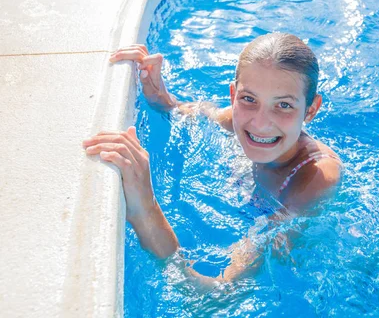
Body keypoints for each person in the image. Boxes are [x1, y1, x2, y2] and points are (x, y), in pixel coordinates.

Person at [82, 33, 343, 287]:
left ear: (311, 110)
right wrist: (159, 96)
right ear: (233, 95)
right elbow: (193, 112)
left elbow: (218, 294)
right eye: (249, 99)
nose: (261, 123)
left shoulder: (315, 179)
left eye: (284, 105)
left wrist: (144, 207)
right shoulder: (237, 119)